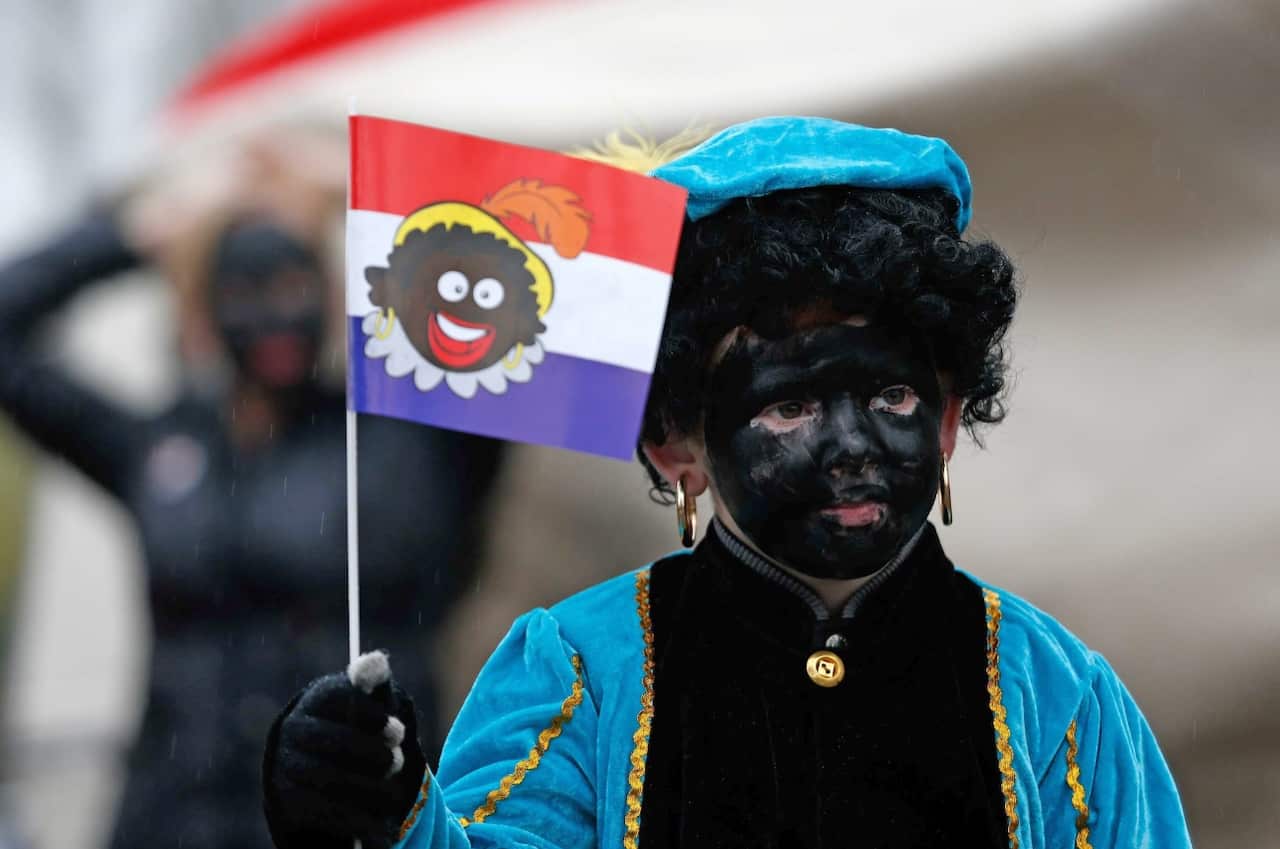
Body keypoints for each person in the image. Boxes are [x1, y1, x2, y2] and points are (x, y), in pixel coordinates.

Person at [261, 116, 1193, 849]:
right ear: (676, 443)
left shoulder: (1057, 694)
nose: (852, 446)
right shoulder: (579, 671)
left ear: (948, 418)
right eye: (791, 405)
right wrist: (381, 805)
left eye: (893, 395)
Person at [0, 151, 502, 849]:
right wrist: (135, 233)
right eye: (244, 291)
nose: (273, 315)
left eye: (294, 285)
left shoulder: (411, 440)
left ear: (329, 292)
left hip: (355, 820)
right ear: (204, 306)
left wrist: (365, 197)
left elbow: (521, 283)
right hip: (171, 820)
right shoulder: (163, 446)